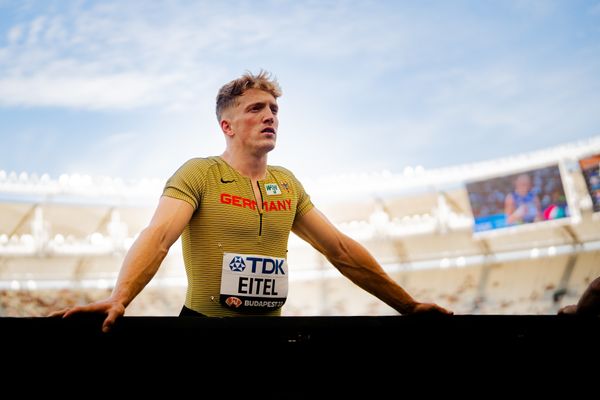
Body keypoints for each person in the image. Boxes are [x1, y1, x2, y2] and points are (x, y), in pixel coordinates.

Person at [50, 70, 452, 332]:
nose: (270, 116)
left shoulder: (287, 183)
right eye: (256, 108)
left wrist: (408, 306)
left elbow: (341, 250)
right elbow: (157, 236)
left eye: (274, 109)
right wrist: (120, 298)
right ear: (226, 125)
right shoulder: (199, 173)